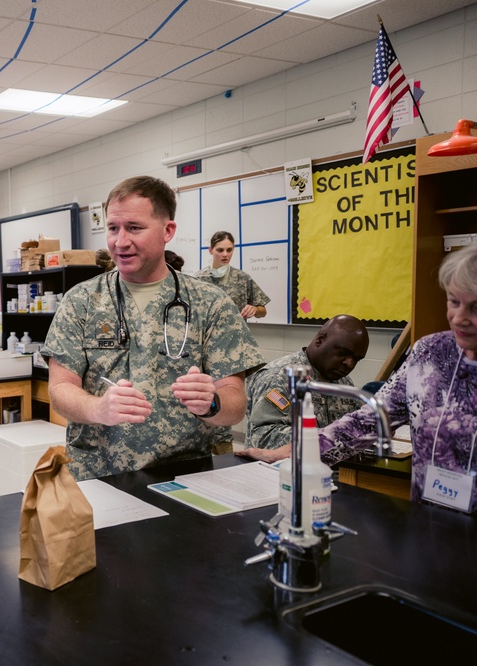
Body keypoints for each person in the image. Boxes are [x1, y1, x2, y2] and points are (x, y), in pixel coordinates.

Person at [40, 176, 263, 481]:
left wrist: (212, 403)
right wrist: (98, 408)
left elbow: (235, 404)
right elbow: (60, 389)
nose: (120, 241)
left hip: (184, 475)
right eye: (113, 228)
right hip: (97, 474)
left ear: (167, 230)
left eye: (134, 228)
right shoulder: (81, 301)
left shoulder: (210, 303)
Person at [240, 243, 477, 513]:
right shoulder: (430, 354)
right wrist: (282, 452)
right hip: (432, 513)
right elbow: (364, 423)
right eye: (454, 301)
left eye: (475, 308)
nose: (459, 318)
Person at [245, 315, 370, 449]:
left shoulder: (343, 381)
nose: (350, 364)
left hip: (329, 467)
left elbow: (351, 426)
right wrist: (328, 437)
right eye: (343, 353)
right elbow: (262, 437)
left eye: (357, 359)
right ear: (320, 340)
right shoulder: (279, 376)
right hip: (280, 467)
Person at [193, 231, 270, 319]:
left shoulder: (242, 278)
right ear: (210, 250)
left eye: (229, 250)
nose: (225, 254)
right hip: (207, 332)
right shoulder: (198, 279)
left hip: (236, 332)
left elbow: (263, 312)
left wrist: (255, 310)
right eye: (220, 250)